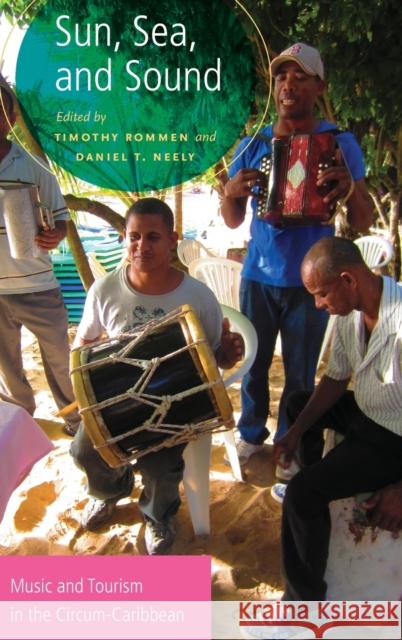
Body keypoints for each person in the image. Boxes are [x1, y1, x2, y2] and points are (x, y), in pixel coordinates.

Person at [221, 43, 373, 465]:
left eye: (300, 77)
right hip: (258, 275)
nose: (288, 85)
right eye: (281, 77)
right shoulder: (253, 142)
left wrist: (348, 189)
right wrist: (230, 192)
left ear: (318, 85)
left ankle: (290, 445)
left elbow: (360, 220)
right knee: (253, 365)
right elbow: (233, 219)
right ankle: (250, 438)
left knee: (300, 373)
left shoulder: (339, 143)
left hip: (314, 283)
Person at [70, 197, 244, 555]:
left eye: (152, 237)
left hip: (174, 405)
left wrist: (228, 352)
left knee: (161, 465)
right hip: (114, 399)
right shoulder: (104, 290)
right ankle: (111, 490)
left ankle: (157, 514)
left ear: (172, 239)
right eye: (134, 237)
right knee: (84, 450)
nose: (142, 246)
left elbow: (213, 363)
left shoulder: (197, 295)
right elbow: (84, 343)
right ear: (124, 238)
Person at [273, 236, 402, 600]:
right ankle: (316, 492)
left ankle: (303, 604)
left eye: (322, 295)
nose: (318, 305)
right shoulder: (351, 313)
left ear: (348, 280)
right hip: (368, 410)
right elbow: (335, 378)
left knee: (301, 495)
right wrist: (296, 433)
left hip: (393, 438)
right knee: (298, 405)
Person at [0, 81, 80, 436]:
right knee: (8, 367)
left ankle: (76, 420)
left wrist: (55, 233)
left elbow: (62, 218)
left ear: (11, 118)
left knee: (61, 362)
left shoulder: (33, 164)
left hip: (38, 284)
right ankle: (22, 423)